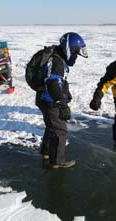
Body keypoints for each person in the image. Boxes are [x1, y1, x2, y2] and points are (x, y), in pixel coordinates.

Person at [35, 32, 88, 168]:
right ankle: (57, 161)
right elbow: (54, 83)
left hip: (45, 98)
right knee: (60, 131)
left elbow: (57, 82)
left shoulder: (57, 57)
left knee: (51, 127)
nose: (75, 57)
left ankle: (46, 152)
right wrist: (62, 103)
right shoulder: (57, 61)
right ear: (69, 48)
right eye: (75, 53)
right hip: (50, 101)